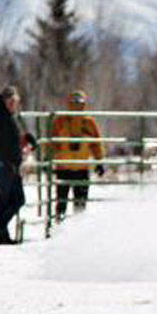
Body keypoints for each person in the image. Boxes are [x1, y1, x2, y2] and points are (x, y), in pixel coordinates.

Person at [0, 87, 34, 245]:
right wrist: (5, 162)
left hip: (10, 163)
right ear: (4, 100)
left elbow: (13, 139)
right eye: (10, 101)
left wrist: (27, 138)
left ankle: (2, 232)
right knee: (14, 199)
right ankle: (0, 229)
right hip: (3, 164)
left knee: (8, 199)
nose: (13, 104)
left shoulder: (9, 117)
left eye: (15, 101)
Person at [49, 90, 105, 221]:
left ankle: (78, 230)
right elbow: (52, 142)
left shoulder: (88, 122)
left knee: (80, 204)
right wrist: (49, 159)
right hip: (63, 167)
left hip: (82, 168)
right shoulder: (60, 121)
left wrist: (99, 161)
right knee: (61, 202)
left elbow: (96, 143)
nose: (76, 105)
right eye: (74, 102)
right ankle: (59, 227)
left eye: (79, 103)